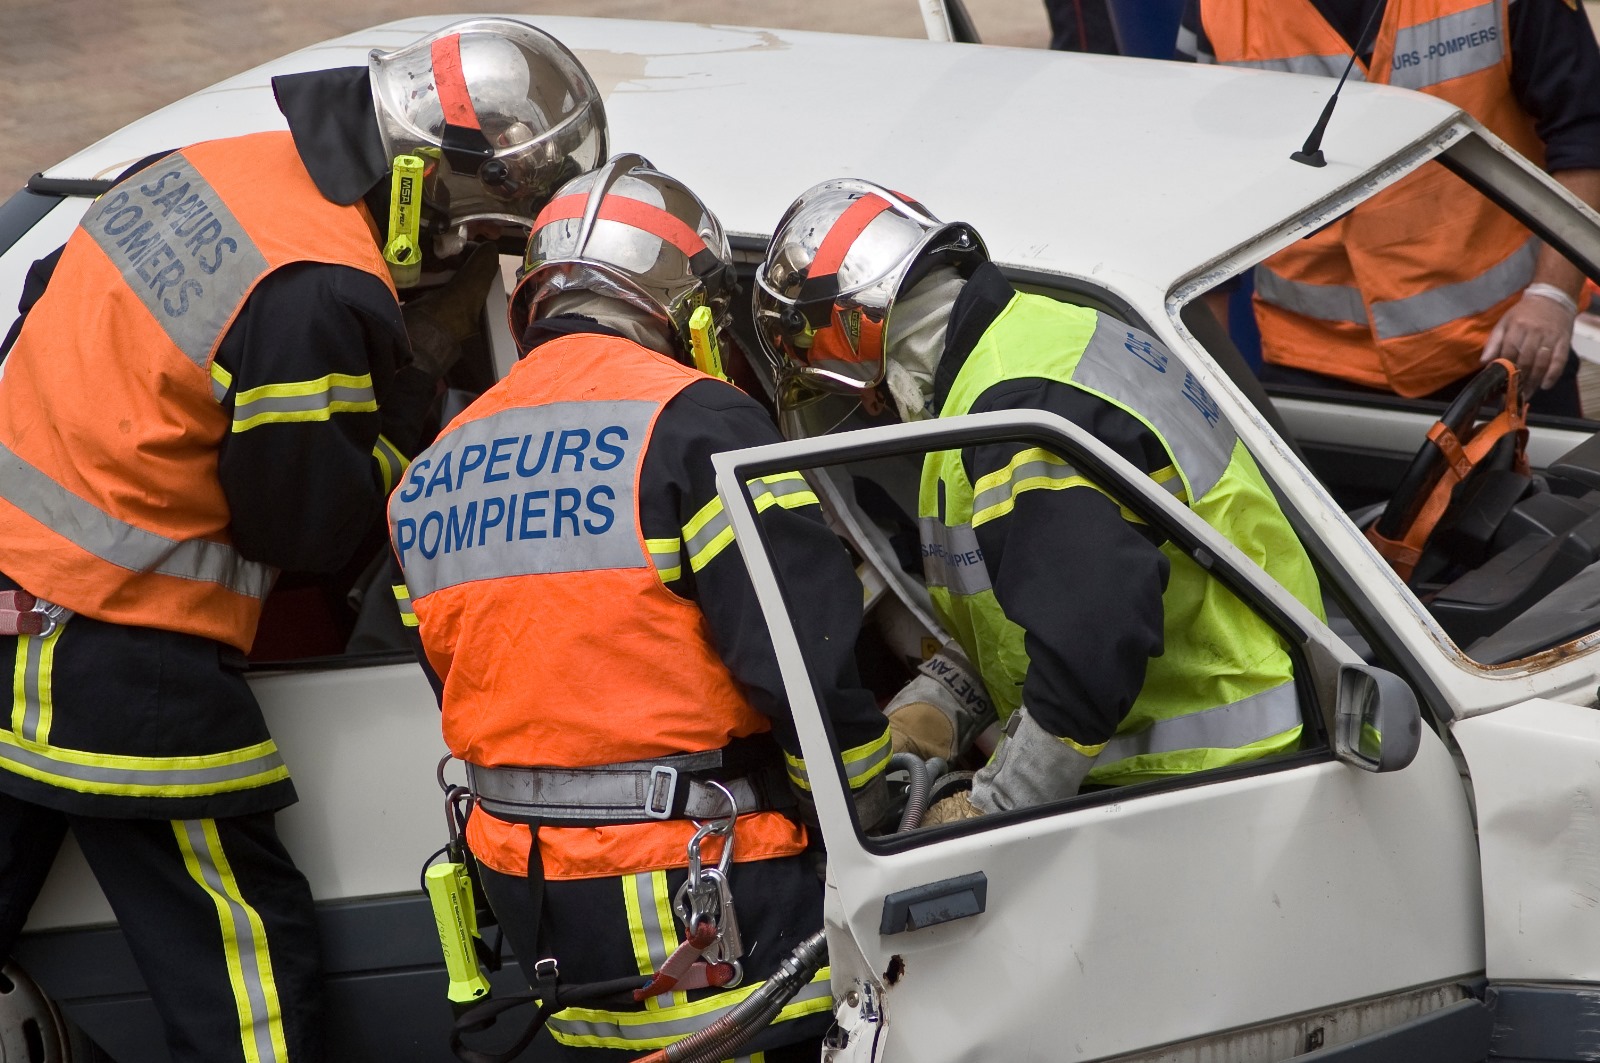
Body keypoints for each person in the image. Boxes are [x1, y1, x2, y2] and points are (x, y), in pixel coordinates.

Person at [0, 18, 605, 1062]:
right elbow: (311, 526)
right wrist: (415, 405)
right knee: (247, 968)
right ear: (436, 190)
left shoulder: (197, 165)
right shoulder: (319, 288)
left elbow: (43, 302)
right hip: (114, 643)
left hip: (21, 604)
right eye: (493, 227)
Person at [387, 156, 893, 1061]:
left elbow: (461, 669)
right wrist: (872, 807)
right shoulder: (697, 420)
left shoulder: (433, 469)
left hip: (539, 906)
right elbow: (800, 661)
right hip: (712, 907)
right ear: (690, 315)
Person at [753, 180, 1324, 821]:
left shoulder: (1010, 414)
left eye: (860, 389)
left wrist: (999, 806)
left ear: (865, 339)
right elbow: (1029, 608)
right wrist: (940, 706)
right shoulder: (1032, 342)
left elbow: (1091, 633)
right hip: (1234, 752)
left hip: (1210, 782)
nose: (871, 407)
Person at [1176, 0, 1600, 415]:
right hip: (1313, 365)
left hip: (1505, 351)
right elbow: (1200, 182)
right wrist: (1210, 372)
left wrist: (1552, 296)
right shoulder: (1219, 9)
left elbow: (1584, 131)